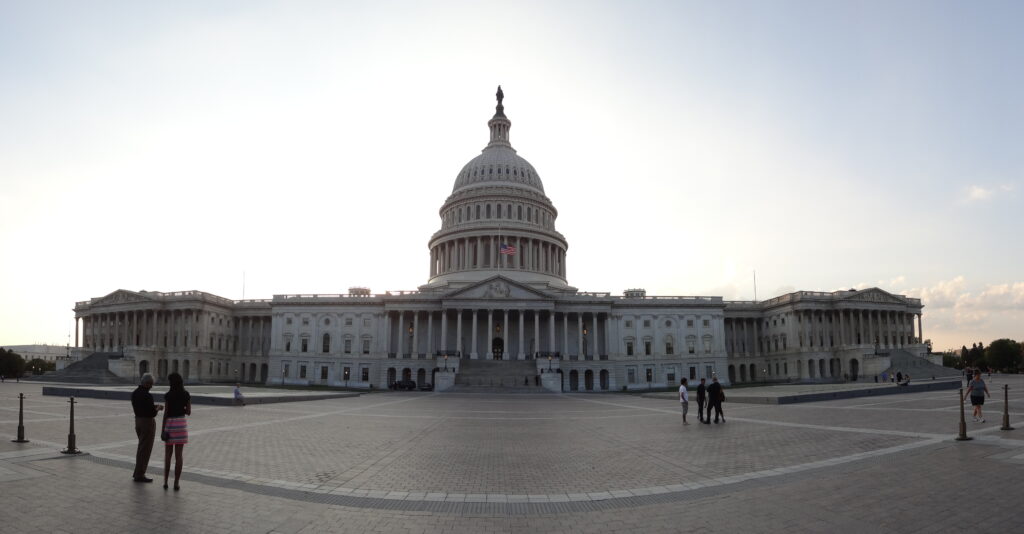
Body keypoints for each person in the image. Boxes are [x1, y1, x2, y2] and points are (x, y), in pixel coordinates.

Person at [130, 373, 163, 483]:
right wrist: (158, 408)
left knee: (141, 448)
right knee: (145, 449)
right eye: (151, 384)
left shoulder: (135, 393)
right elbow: (152, 413)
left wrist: (153, 407)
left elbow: (142, 407)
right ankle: (140, 474)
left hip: (138, 421)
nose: (152, 386)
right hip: (147, 423)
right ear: (147, 383)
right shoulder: (148, 395)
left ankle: (137, 472)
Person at [162, 372, 191, 491]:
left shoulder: (168, 395)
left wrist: (163, 430)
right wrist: (182, 408)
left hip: (170, 424)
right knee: (179, 456)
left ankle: (165, 481)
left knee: (168, 455)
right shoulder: (186, 394)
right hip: (181, 425)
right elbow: (188, 411)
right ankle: (176, 482)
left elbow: (166, 413)